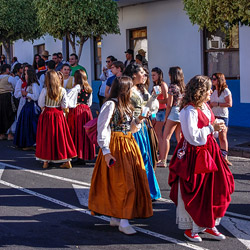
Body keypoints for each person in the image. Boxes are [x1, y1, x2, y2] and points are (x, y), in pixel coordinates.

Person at [168, 75, 234, 242]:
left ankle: (210, 224)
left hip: (210, 152)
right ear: (200, 91)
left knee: (214, 189)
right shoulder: (188, 110)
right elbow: (192, 137)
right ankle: (191, 228)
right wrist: (212, 127)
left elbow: (209, 130)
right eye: (208, 89)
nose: (211, 92)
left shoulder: (205, 106)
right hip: (195, 155)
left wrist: (217, 128)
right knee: (196, 191)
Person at [88, 76, 153, 235]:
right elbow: (102, 128)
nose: (133, 90)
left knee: (124, 182)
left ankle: (117, 217)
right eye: (131, 88)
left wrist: (139, 119)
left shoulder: (127, 105)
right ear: (124, 89)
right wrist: (106, 152)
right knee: (124, 183)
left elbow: (130, 129)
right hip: (115, 146)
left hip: (128, 144)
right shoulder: (110, 105)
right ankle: (123, 220)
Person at [124, 63, 161, 200]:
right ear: (134, 74)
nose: (145, 76)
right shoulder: (127, 89)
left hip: (143, 126)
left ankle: (148, 190)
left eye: (146, 74)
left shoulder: (142, 90)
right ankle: (138, 190)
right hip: (132, 126)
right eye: (142, 73)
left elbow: (150, 109)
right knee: (137, 158)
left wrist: (154, 97)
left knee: (146, 157)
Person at [36, 70, 77, 169]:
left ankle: (46, 161)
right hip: (58, 115)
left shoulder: (45, 90)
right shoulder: (62, 90)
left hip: (47, 114)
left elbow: (41, 103)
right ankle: (66, 160)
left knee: (46, 137)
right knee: (61, 136)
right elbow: (65, 105)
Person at [67, 69, 95, 163]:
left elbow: (68, 99)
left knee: (77, 132)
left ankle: (77, 154)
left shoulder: (76, 88)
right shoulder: (89, 88)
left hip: (77, 111)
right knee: (85, 133)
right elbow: (89, 103)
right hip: (86, 111)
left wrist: (73, 105)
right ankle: (84, 154)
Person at [161, 66, 185, 167]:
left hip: (173, 111)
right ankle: (184, 157)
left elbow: (169, 104)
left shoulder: (172, 87)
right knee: (179, 136)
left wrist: (166, 117)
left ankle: (163, 160)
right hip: (181, 111)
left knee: (166, 137)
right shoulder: (182, 86)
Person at [14, 68, 40, 149]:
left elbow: (36, 97)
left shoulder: (34, 85)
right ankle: (26, 142)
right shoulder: (30, 85)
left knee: (31, 125)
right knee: (26, 124)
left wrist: (27, 94)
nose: (25, 76)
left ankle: (32, 143)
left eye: (26, 74)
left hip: (31, 106)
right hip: (27, 106)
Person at [210, 73, 233, 166]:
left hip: (222, 116)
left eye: (214, 79)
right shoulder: (213, 91)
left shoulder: (226, 91)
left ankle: (224, 158)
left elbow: (229, 104)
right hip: (213, 115)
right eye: (212, 78)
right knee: (212, 136)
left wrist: (218, 104)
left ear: (219, 80)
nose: (212, 80)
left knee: (222, 136)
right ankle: (215, 156)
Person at [151, 67, 168, 166]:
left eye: (154, 75)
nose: (152, 77)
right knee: (156, 134)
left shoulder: (163, 85)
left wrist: (155, 99)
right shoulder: (156, 86)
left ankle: (162, 158)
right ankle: (160, 156)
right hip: (155, 111)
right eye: (152, 75)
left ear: (159, 75)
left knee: (159, 134)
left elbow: (166, 100)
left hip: (161, 111)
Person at [0, 64, 17, 140]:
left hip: (0, 96)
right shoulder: (9, 78)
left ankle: (2, 133)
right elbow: (15, 86)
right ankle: (10, 134)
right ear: (7, 69)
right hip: (8, 97)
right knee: (10, 113)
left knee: (2, 114)